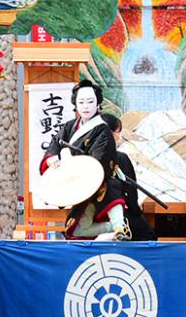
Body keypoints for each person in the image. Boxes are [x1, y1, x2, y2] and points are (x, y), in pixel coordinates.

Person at [39, 79, 129, 240]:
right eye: (81, 102)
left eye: (90, 101)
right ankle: (110, 229)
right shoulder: (69, 127)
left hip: (96, 182)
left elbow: (99, 159)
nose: (86, 106)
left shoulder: (103, 130)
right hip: (75, 182)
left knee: (111, 190)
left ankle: (119, 226)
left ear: (98, 103)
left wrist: (70, 159)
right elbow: (55, 144)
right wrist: (52, 159)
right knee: (75, 231)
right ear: (75, 104)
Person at [101, 113, 158, 241]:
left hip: (88, 215)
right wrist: (136, 211)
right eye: (117, 132)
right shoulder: (120, 157)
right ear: (109, 133)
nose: (119, 136)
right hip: (115, 211)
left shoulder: (84, 156)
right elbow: (130, 191)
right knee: (148, 236)